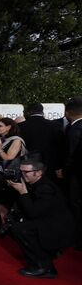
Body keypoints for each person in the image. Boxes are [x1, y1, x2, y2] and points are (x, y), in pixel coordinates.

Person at [6, 159, 75, 278]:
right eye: (20, 171)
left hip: (59, 228)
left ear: (38, 173)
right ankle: (37, 255)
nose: (22, 174)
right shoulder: (34, 183)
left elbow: (33, 212)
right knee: (13, 225)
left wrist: (23, 192)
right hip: (48, 221)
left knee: (21, 229)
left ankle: (44, 267)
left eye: (26, 172)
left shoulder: (46, 188)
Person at [0, 118, 27, 222]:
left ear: (9, 127)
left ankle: (12, 225)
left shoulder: (16, 140)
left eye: (0, 126)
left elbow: (8, 158)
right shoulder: (1, 140)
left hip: (12, 176)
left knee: (9, 201)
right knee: (1, 200)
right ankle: (4, 224)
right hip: (0, 174)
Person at [18, 103, 65, 181]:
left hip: (27, 167)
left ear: (28, 112)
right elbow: (61, 147)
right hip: (50, 166)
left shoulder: (20, 126)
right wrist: (59, 166)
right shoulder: (55, 126)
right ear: (42, 112)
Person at [64, 96, 82, 250]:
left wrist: (65, 171)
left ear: (68, 112)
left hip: (76, 175)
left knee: (75, 205)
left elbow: (72, 154)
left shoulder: (75, 128)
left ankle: (76, 239)